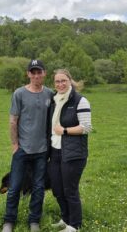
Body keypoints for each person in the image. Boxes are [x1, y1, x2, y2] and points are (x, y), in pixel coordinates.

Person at [2, 60, 53, 232]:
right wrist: (15, 144)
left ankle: (34, 222)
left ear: (44, 73)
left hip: (42, 151)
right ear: (28, 74)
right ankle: (9, 221)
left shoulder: (49, 94)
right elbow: (13, 121)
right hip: (22, 150)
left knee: (38, 188)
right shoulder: (19, 93)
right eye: (33, 72)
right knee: (15, 186)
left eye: (39, 72)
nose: (36, 75)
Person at [48, 69, 92, 232]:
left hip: (73, 154)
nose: (60, 84)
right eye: (57, 81)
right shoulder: (54, 100)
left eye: (63, 81)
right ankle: (65, 219)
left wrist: (65, 130)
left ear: (70, 81)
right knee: (58, 189)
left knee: (70, 190)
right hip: (55, 151)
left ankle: (75, 225)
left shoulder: (80, 100)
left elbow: (86, 128)